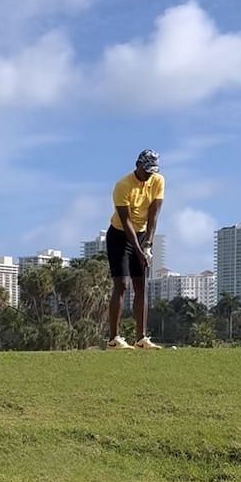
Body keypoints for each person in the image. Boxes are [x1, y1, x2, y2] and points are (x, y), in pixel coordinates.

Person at [106, 149, 164, 350]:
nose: (149, 175)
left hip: (141, 235)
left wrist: (147, 245)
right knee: (121, 284)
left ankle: (141, 339)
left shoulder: (158, 181)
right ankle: (114, 339)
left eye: (152, 171)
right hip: (119, 235)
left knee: (141, 287)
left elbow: (153, 216)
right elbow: (126, 221)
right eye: (147, 170)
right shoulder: (123, 186)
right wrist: (139, 251)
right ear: (138, 165)